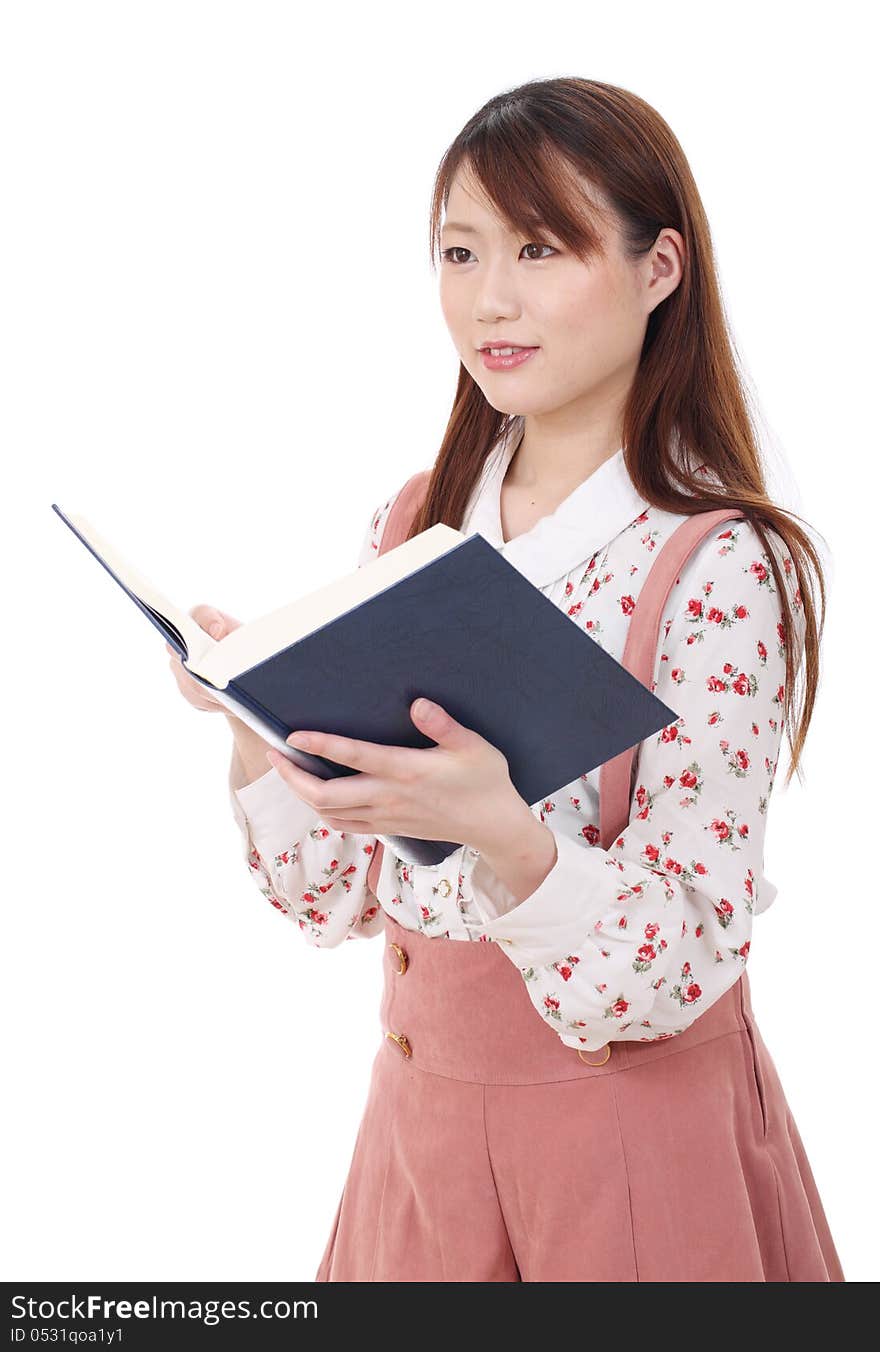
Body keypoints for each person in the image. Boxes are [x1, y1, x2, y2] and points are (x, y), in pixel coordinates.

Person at [168, 76, 845, 1282]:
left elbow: (685, 954)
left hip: (630, 1151)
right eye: (460, 250)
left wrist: (506, 839)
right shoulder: (414, 524)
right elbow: (338, 902)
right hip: (417, 1150)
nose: (489, 298)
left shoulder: (716, 562)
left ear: (660, 267)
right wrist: (251, 725)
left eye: (542, 246)